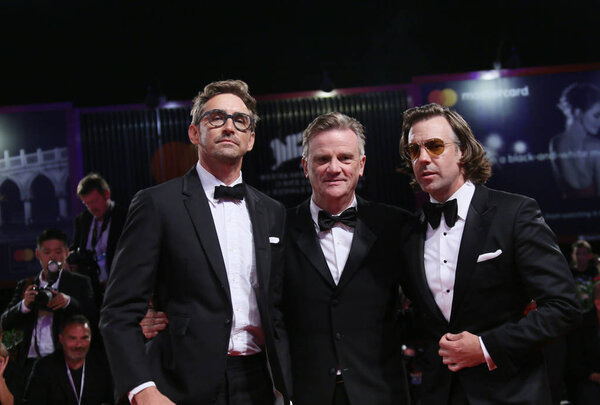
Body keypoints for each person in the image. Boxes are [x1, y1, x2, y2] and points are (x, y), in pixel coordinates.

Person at [100, 79, 290, 405]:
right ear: (194, 133)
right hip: (179, 385)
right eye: (216, 118)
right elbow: (118, 311)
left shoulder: (273, 212)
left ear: (251, 139)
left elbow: (280, 307)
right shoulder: (157, 204)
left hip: (261, 383)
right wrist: (141, 389)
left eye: (240, 120)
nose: (229, 127)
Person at [398, 103, 581, 404]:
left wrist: (486, 346)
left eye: (434, 146)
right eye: (413, 151)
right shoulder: (408, 233)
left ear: (462, 152)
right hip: (439, 394)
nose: (423, 158)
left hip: (511, 392)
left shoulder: (515, 212)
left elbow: (563, 307)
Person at [281, 112, 411, 405]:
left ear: (361, 165)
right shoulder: (278, 229)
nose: (334, 168)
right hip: (306, 395)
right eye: (322, 159)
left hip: (382, 392)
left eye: (345, 158)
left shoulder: (394, 226)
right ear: (305, 166)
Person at [0, 229, 96, 404]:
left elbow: (93, 318)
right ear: (38, 254)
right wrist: (24, 305)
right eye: (47, 252)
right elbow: (4, 322)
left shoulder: (80, 283)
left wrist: (68, 302)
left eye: (58, 251)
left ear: (66, 253)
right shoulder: (26, 285)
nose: (53, 257)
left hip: (62, 364)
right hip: (28, 366)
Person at [22, 315, 113, 405]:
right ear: (61, 339)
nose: (79, 345)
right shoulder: (44, 367)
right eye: (72, 338)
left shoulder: (103, 365)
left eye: (84, 338)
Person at [70, 173, 127, 295]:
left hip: (120, 287)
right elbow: (75, 248)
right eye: (86, 203)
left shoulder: (125, 218)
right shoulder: (82, 220)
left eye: (94, 201)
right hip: (91, 291)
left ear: (106, 194)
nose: (91, 207)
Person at [549, 83, 600, 198]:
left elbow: (561, 191)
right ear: (578, 112)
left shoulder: (555, 143)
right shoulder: (596, 146)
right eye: (597, 116)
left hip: (566, 213)